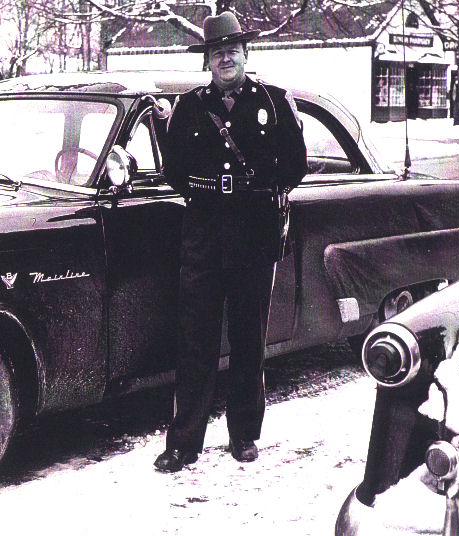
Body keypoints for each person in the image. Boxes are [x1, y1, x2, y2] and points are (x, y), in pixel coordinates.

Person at [154, 11, 308, 472]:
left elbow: (296, 164)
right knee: (195, 343)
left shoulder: (273, 102)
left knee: (248, 342)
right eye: (217, 52)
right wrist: (208, 194)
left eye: (233, 50)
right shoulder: (189, 106)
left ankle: (244, 435)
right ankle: (184, 443)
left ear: (246, 54)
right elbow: (173, 170)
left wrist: (259, 193)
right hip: (203, 237)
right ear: (208, 60)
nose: (226, 58)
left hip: (253, 237)